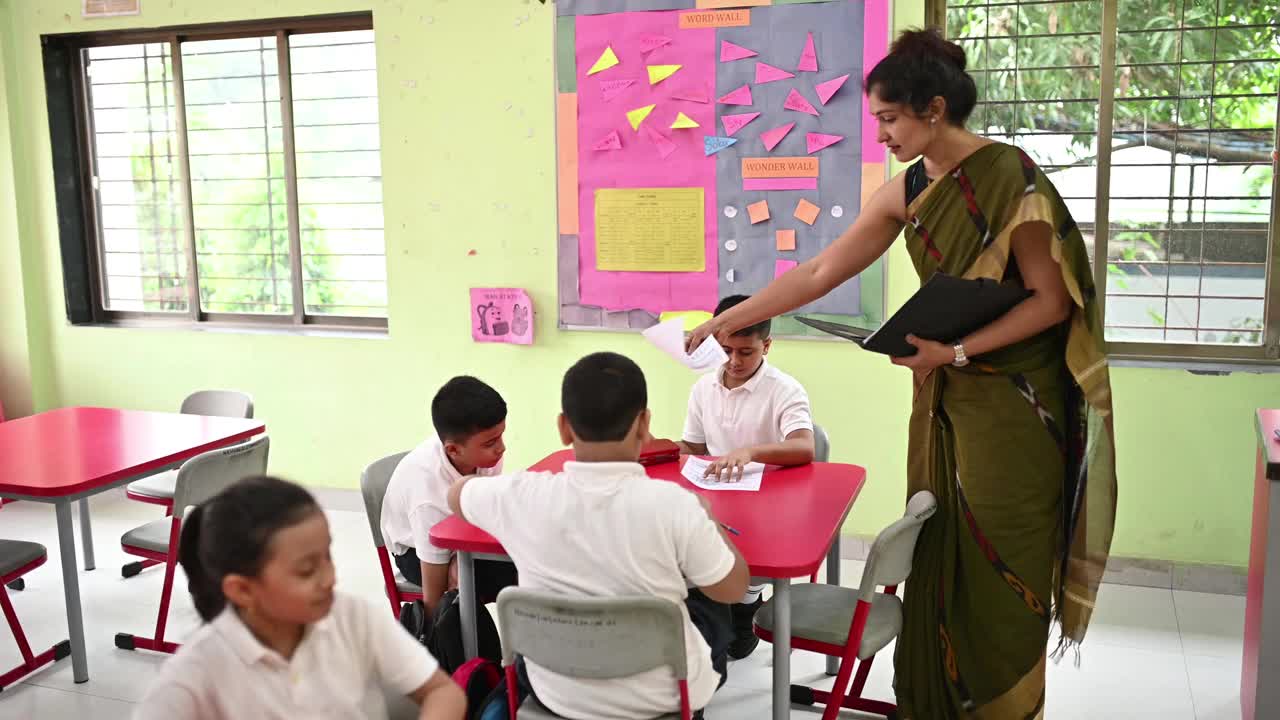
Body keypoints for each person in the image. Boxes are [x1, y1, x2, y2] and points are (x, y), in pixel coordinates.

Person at [685, 27, 1118, 719]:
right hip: (944, 403)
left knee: (1003, 564)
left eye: (889, 118)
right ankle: (939, 700)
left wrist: (957, 353)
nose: (881, 134)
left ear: (934, 109)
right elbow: (820, 271)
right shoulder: (908, 189)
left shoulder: (1011, 179)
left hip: (1015, 410)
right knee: (944, 546)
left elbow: (1052, 300)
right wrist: (723, 322)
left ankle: (1005, 706)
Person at [447, 352, 749, 720]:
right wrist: (709, 519)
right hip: (664, 698)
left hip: (556, 693)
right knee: (708, 597)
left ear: (563, 428)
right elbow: (734, 589)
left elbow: (457, 493)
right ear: (644, 425)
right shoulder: (676, 506)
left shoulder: (520, 496)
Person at [134, 476, 465, 720]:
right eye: (307, 571)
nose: (330, 578)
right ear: (243, 590)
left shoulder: (354, 618)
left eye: (328, 557)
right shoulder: (195, 677)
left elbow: (442, 691)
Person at [673, 293, 815, 660]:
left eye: (746, 352)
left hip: (768, 507)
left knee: (737, 637)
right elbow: (692, 447)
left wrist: (750, 452)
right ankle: (711, 610)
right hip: (720, 500)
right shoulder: (703, 388)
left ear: (766, 345)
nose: (734, 361)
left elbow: (804, 448)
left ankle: (746, 602)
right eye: (726, 350)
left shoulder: (784, 389)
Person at [380, 376, 516, 612]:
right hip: (417, 555)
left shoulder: (482, 454)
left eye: (501, 435)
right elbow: (432, 563)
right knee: (519, 574)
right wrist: (434, 623)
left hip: (461, 535)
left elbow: (481, 507)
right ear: (453, 450)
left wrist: (461, 557)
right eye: (491, 442)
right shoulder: (427, 492)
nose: (501, 447)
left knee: (530, 560)